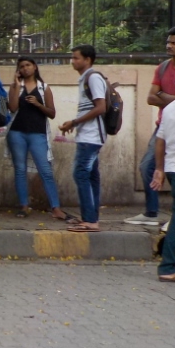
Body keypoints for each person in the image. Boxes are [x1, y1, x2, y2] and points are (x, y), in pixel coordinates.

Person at [128, 26, 175, 226]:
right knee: (147, 166)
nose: (169, 46)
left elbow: (158, 96)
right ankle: (151, 213)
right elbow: (150, 97)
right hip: (163, 127)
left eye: (174, 43)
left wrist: (164, 97)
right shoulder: (163, 67)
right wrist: (174, 99)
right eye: (168, 42)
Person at [6, 57, 69, 220]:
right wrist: (16, 85)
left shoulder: (44, 88)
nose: (25, 68)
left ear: (34, 67)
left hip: (38, 133)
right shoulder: (15, 87)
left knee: (45, 170)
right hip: (17, 133)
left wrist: (38, 104)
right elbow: (12, 108)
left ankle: (56, 207)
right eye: (21, 66)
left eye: (28, 65)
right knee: (20, 170)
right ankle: (24, 206)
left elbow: (52, 113)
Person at [58, 44, 107, 232]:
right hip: (89, 135)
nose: (73, 61)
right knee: (91, 176)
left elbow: (100, 107)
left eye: (76, 58)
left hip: (92, 136)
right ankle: (91, 217)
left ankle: (90, 220)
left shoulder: (93, 78)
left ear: (88, 60)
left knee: (80, 174)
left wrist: (74, 122)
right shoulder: (86, 78)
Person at [148, 98, 175, 282]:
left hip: (172, 168)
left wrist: (159, 169)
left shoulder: (170, 108)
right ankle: (168, 267)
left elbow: (160, 141)